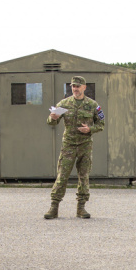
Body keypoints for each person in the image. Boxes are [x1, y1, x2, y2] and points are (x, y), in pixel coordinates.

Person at [44, 76, 103, 219]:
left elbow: (101, 124)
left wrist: (90, 129)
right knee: (62, 176)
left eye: (78, 86)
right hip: (69, 145)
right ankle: (54, 207)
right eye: (73, 86)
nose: (75, 89)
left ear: (84, 87)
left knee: (84, 176)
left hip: (85, 145)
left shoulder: (93, 105)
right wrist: (53, 118)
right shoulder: (64, 104)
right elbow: (51, 122)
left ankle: (81, 208)